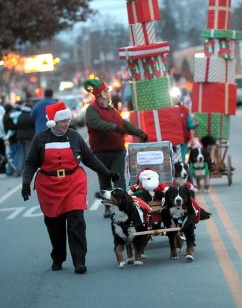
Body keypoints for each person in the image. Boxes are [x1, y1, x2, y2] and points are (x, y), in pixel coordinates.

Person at [21, 101, 119, 274]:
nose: (67, 123)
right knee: (55, 226)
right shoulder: (40, 138)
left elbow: (89, 158)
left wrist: (108, 173)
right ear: (53, 122)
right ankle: (58, 257)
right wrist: (26, 182)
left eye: (68, 120)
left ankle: (79, 261)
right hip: (49, 186)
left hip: (73, 183)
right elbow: (30, 163)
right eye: (63, 121)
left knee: (77, 222)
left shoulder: (74, 136)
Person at [84, 77, 148, 218]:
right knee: (105, 180)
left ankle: (123, 205)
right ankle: (108, 207)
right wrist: (113, 128)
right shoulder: (92, 110)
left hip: (118, 150)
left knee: (119, 178)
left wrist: (138, 132)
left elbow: (123, 123)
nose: (109, 92)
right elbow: (95, 123)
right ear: (101, 95)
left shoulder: (112, 109)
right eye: (106, 91)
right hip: (100, 152)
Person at [175, 93, 198, 162]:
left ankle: (182, 168)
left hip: (183, 137)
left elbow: (190, 124)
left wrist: (194, 125)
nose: (177, 99)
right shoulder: (167, 109)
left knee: (182, 155)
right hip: (172, 138)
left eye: (178, 97)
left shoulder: (185, 110)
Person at [15, 102, 35, 177]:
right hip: (29, 137)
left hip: (19, 137)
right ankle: (28, 171)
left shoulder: (20, 116)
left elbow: (16, 126)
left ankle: (18, 171)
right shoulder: (31, 116)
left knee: (20, 154)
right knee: (28, 154)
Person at [0, 104, 6, 173]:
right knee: (3, 152)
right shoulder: (2, 118)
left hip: (2, 136)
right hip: (2, 136)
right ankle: (3, 168)